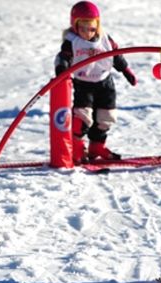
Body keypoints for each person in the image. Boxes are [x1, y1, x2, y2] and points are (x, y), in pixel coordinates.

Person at [54, 1, 137, 163]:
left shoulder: (105, 39)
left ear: (97, 26)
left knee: (106, 116)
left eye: (92, 29)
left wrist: (126, 71)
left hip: (104, 82)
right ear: (75, 26)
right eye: (83, 29)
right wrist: (62, 71)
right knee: (82, 117)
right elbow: (62, 58)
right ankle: (77, 147)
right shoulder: (72, 42)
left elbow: (117, 55)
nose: (87, 33)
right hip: (83, 83)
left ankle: (96, 146)